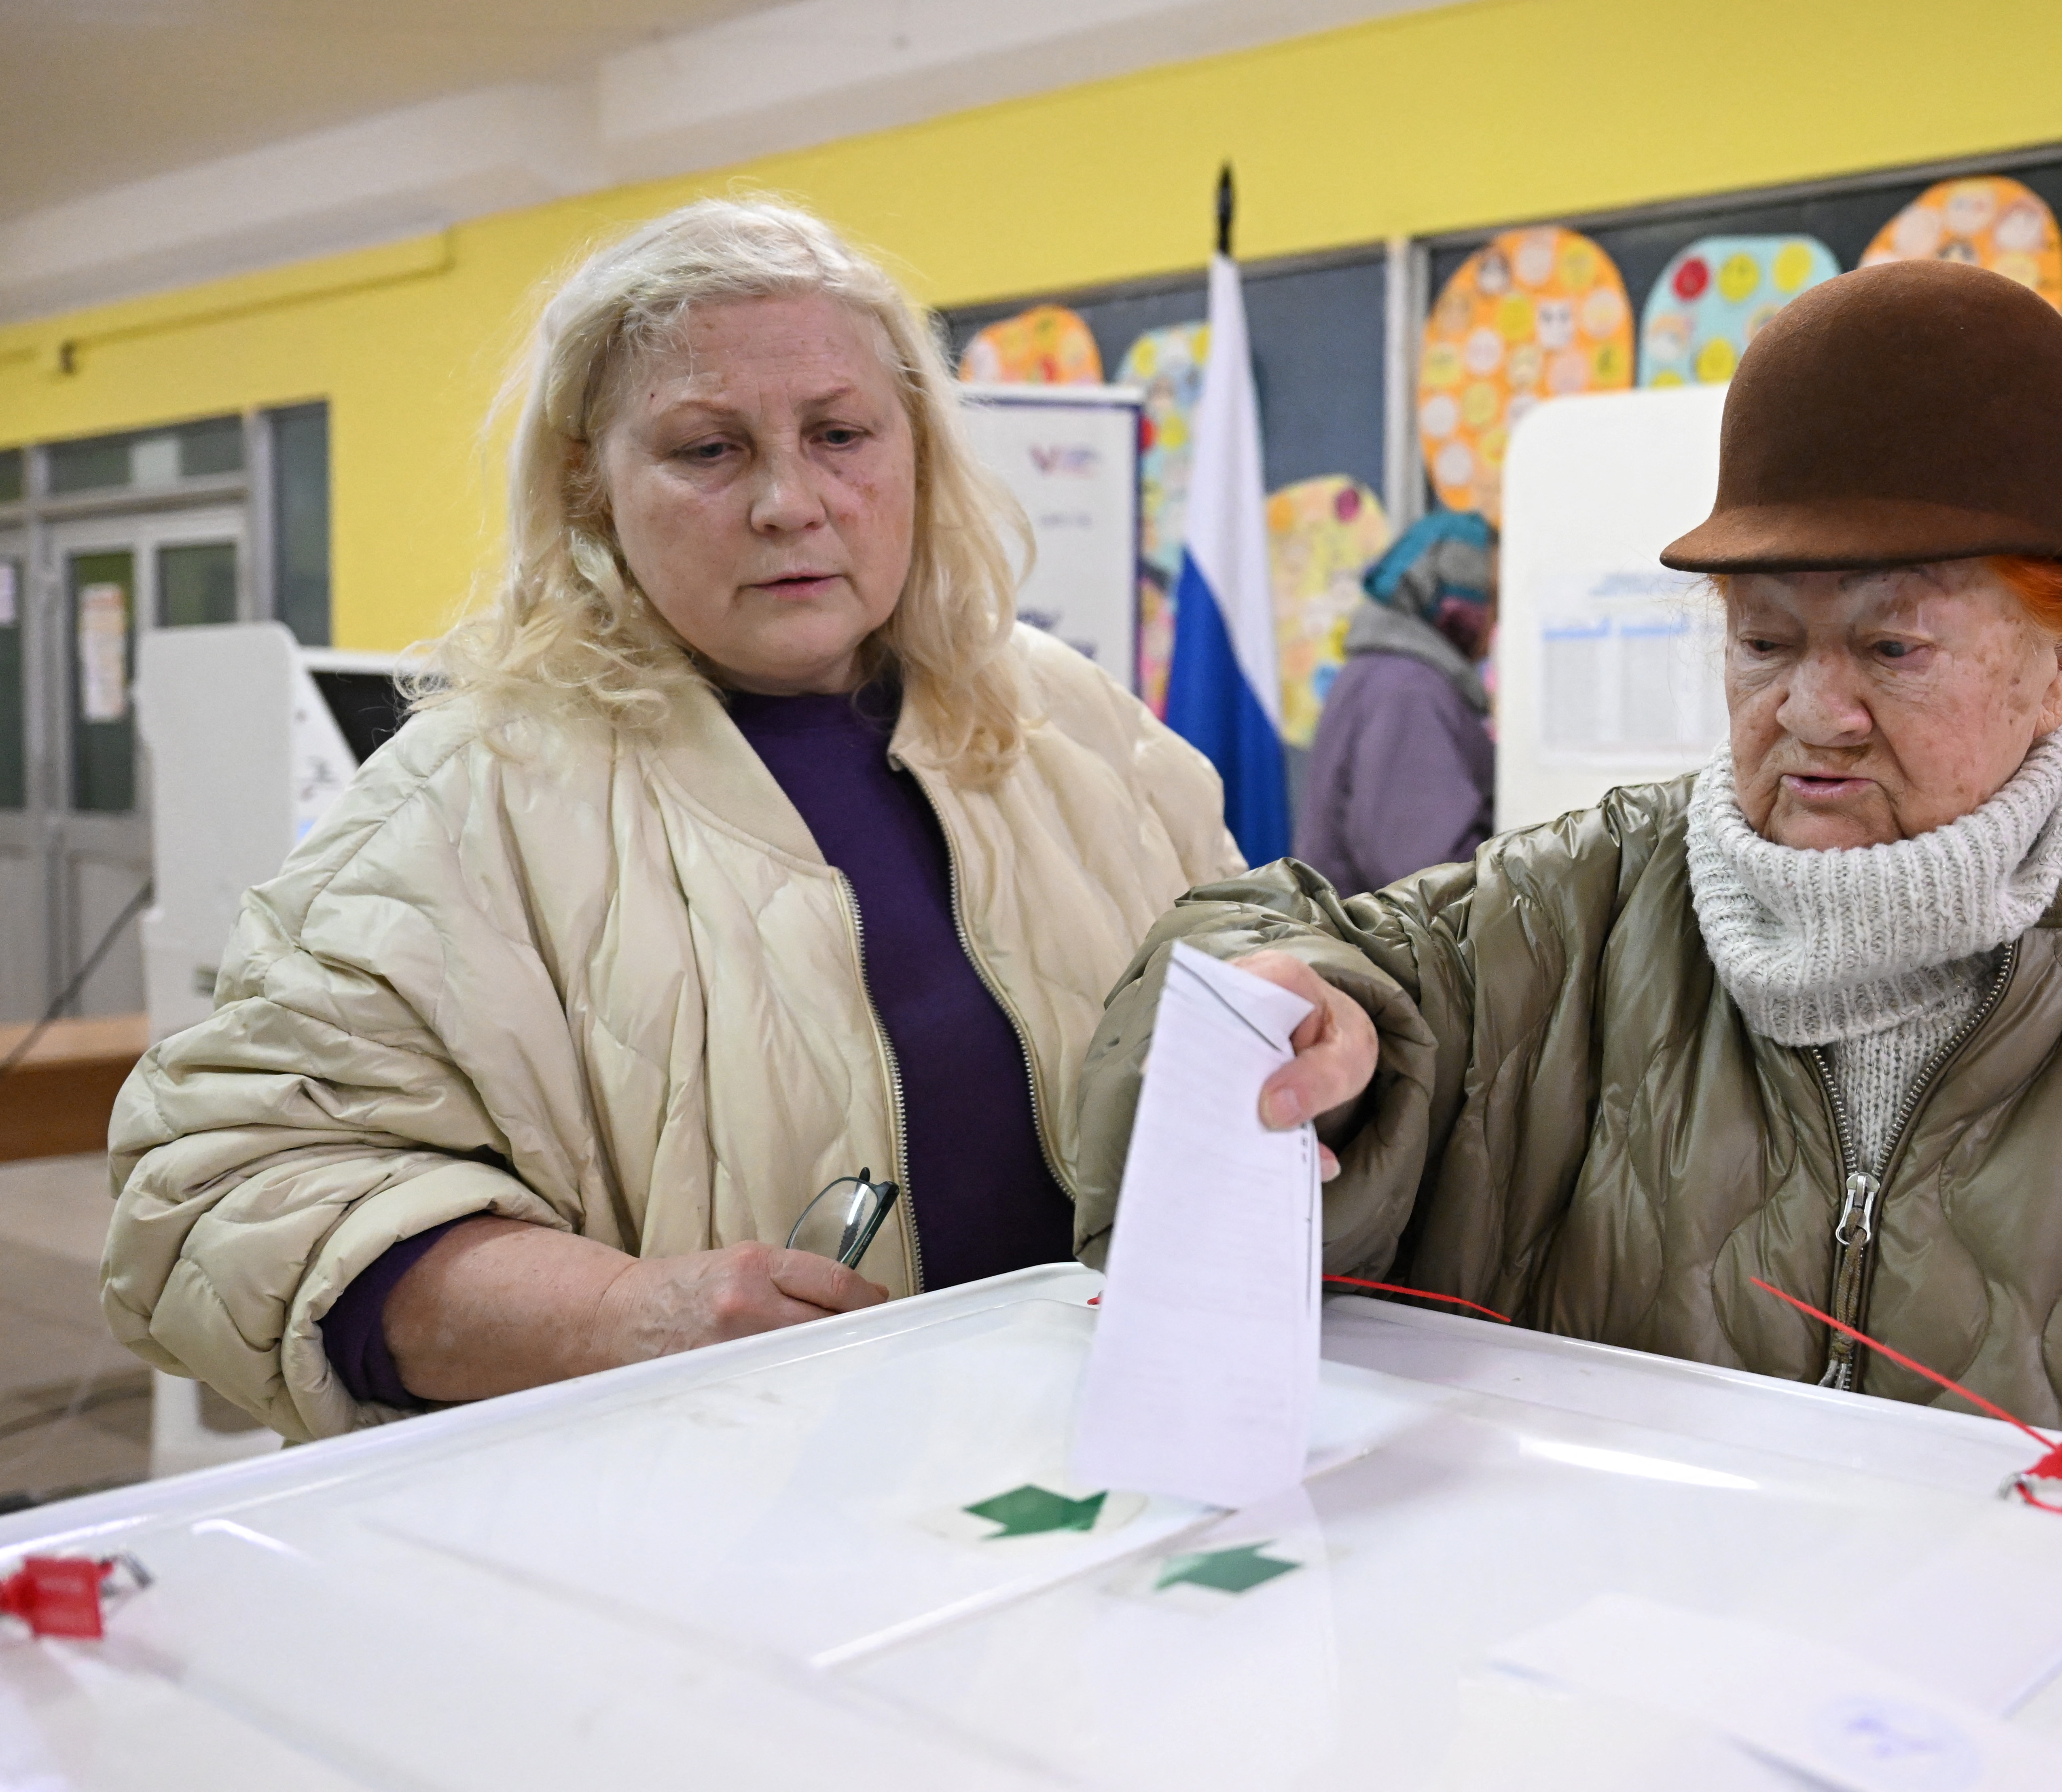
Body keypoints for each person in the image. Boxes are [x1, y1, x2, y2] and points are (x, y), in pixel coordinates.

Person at [1073, 262, 2062, 1788]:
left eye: (1890, 646)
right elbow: (1250, 958)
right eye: (1764, 639)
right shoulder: (1565, 919)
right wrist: (1280, 1015)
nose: (1811, 710)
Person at [101, 199, 1242, 1442]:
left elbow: (1264, 987)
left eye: (841, 433)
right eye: (708, 450)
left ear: (916, 446)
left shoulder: (1074, 729)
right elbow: (218, 1198)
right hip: (700, 1547)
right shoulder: (469, 800)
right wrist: (622, 1316)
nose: (789, 502)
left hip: (1105, 1481)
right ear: (589, 485)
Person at [1292, 511, 1497, 894]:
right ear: (1458, 605)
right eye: (1494, 598)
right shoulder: (1410, 691)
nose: (1499, 619)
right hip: (1381, 951)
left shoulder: (1382, 672)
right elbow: (1429, 880)